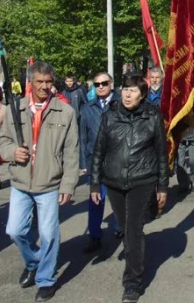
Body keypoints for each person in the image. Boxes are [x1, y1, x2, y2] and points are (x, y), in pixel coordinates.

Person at [0, 61, 79, 302]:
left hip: (49, 184)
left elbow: (71, 152)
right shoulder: (16, 109)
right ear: (30, 83)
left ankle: (46, 279)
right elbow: (3, 141)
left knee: (48, 233)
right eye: (39, 82)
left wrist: (68, 185)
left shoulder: (65, 112)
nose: (44, 86)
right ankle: (34, 261)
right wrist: (12, 152)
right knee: (14, 230)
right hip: (21, 182)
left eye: (48, 82)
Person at [91, 73, 168, 303]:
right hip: (114, 182)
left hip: (142, 181)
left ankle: (132, 283)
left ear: (143, 94)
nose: (127, 93)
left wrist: (162, 186)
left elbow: (161, 154)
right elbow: (98, 152)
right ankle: (136, 255)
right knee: (126, 229)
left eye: (133, 90)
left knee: (133, 229)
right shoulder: (110, 117)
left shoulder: (152, 116)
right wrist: (95, 183)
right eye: (125, 88)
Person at [79, 71, 119, 253]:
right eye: (97, 84)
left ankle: (121, 228)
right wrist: (83, 164)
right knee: (95, 200)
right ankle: (94, 235)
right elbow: (82, 137)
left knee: (119, 198)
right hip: (94, 162)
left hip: (117, 160)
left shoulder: (120, 105)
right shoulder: (87, 108)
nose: (101, 87)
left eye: (104, 83)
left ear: (111, 83)